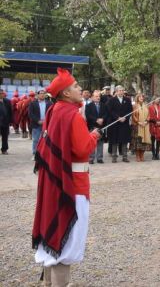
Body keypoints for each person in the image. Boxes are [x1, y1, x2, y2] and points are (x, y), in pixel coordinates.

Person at [32, 68, 100, 287]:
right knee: (68, 236)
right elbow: (82, 149)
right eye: (76, 86)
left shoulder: (54, 110)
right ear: (65, 93)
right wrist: (94, 135)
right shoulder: (72, 114)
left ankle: (49, 282)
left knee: (55, 227)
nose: (80, 89)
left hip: (54, 184)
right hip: (72, 184)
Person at [106, 85, 133, 163]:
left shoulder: (127, 100)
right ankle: (114, 156)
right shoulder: (112, 100)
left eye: (122, 90)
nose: (121, 92)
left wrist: (125, 118)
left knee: (124, 140)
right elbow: (110, 111)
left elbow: (130, 110)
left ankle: (125, 156)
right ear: (116, 91)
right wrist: (117, 117)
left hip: (124, 123)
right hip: (115, 123)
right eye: (119, 90)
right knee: (115, 140)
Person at [28, 89, 53, 158]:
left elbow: (52, 113)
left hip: (47, 124)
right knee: (36, 139)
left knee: (47, 139)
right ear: (37, 95)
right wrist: (38, 121)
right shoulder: (32, 103)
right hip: (36, 124)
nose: (42, 94)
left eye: (43, 93)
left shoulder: (50, 103)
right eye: (41, 93)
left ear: (45, 95)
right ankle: (35, 153)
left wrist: (47, 121)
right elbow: (30, 114)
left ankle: (46, 154)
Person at [85, 90, 107, 164]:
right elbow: (88, 115)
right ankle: (91, 158)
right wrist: (96, 120)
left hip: (101, 126)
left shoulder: (103, 105)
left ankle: (99, 158)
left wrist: (102, 119)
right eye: (96, 96)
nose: (98, 98)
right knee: (92, 142)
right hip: (92, 126)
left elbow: (106, 114)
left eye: (99, 96)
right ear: (92, 97)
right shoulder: (88, 106)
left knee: (100, 142)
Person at [130, 93, 151, 162]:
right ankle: (137, 155)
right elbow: (133, 115)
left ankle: (142, 155)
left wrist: (146, 121)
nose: (141, 98)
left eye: (142, 97)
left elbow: (149, 115)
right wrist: (138, 122)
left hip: (145, 125)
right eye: (140, 97)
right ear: (137, 98)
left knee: (144, 142)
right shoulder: (135, 106)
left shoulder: (146, 105)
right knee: (138, 141)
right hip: (137, 126)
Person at [0, 88, 12, 154]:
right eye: (0, 93)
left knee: (5, 137)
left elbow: (10, 111)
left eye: (2, 93)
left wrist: (10, 121)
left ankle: (4, 149)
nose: (2, 94)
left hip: (5, 122)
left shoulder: (7, 101)